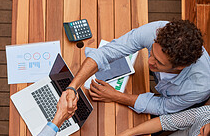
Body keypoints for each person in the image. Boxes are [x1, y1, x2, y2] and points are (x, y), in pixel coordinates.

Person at [65, 20, 210, 116]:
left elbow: (162, 107)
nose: (149, 61)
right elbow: (106, 52)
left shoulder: (199, 87)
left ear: (180, 67)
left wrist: (116, 96)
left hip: (182, 105)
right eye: (151, 52)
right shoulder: (158, 32)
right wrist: (72, 87)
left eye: (158, 62)